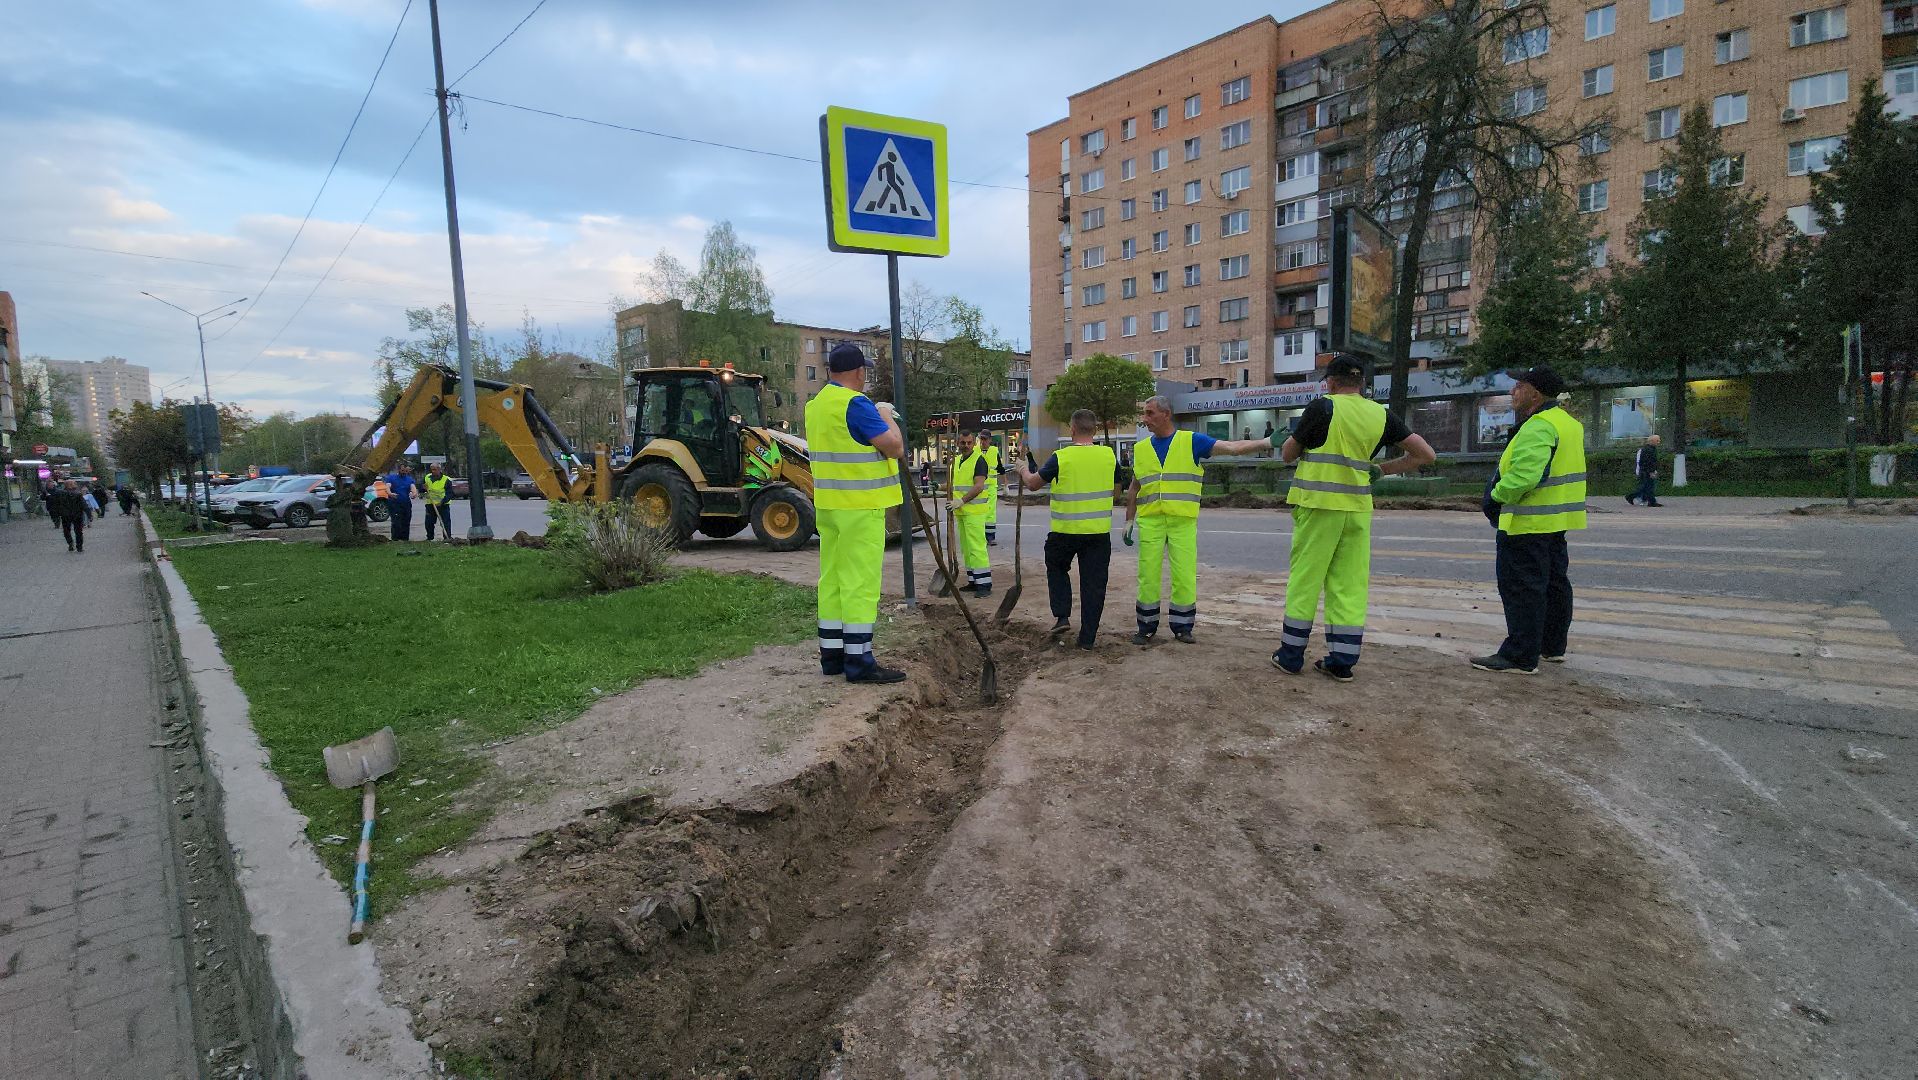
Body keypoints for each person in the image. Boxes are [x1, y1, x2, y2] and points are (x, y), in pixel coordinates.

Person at [1273, 354, 1435, 682]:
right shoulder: (1380, 413)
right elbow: (1425, 455)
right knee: (1349, 585)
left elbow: (1288, 454)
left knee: (1305, 581)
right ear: (1360, 384)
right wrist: (1380, 469)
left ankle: (1290, 655)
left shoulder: (1323, 407)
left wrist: (1295, 440)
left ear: (1331, 382)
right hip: (1357, 511)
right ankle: (1342, 660)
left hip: (1319, 507)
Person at [1124, 396, 1269, 645]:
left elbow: (1232, 448)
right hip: (1151, 522)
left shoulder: (1192, 441)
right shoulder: (1141, 449)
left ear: (1166, 414)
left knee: (1184, 573)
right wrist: (1128, 520)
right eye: (1144, 414)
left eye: (1149, 413)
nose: (1144, 419)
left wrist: (1266, 442)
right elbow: (1135, 487)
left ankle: (1182, 625)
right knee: (1147, 574)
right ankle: (1146, 625)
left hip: (1182, 520)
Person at [1471, 367, 1586, 674]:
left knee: (1523, 588)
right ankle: (1551, 646)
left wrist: (1494, 496)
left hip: (1527, 523)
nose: (1513, 392)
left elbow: (1524, 476)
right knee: (1554, 584)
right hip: (1555, 520)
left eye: (1519, 386)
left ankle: (1520, 655)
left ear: (1535, 393)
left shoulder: (1538, 426)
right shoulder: (1568, 424)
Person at [806, 343, 907, 684]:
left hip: (830, 507)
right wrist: (885, 415)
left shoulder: (815, 406)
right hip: (860, 507)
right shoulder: (857, 404)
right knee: (860, 583)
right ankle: (860, 662)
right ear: (861, 372)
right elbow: (895, 447)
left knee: (832, 579)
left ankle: (832, 656)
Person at [1017, 410, 1121, 651]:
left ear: (1072, 429)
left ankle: (1062, 616)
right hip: (1097, 533)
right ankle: (1087, 640)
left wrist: (1022, 468)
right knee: (1094, 585)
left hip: (1063, 532)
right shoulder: (1109, 456)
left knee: (1056, 568)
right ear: (1094, 430)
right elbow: (1117, 492)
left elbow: (1033, 484)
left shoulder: (1061, 457)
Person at [952, 433, 994, 597]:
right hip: (961, 512)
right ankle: (974, 580)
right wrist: (938, 486)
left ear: (973, 443)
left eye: (969, 442)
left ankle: (984, 584)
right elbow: (954, 484)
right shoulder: (956, 461)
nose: (966, 445)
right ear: (958, 443)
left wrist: (961, 501)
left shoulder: (979, 460)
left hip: (974, 512)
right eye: (963, 443)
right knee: (967, 548)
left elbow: (978, 487)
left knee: (977, 547)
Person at [384, 461, 420, 541]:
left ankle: (405, 539)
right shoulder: (391, 478)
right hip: (394, 504)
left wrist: (414, 494)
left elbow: (413, 488)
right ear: (399, 470)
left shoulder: (409, 479)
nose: (404, 473)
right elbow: (387, 487)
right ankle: (396, 539)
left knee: (406, 521)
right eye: (403, 471)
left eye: (406, 471)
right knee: (396, 522)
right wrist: (390, 493)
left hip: (406, 504)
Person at [978, 430, 1002, 547]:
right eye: (981, 439)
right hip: (978, 487)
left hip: (991, 487)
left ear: (990, 440)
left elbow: (1000, 469)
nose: (983, 441)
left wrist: (1006, 484)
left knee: (990, 513)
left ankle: (990, 537)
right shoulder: (975, 451)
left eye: (985, 439)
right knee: (979, 511)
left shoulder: (994, 451)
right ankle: (980, 536)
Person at [51, 480, 88, 553]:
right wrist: (89, 514)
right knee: (78, 532)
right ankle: (79, 547)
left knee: (66, 530)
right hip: (77, 515)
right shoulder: (78, 494)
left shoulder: (60, 494)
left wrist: (56, 514)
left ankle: (70, 543)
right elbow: (84, 505)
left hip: (65, 515)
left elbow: (56, 505)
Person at [421, 462, 454, 540]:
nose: (433, 471)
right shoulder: (427, 477)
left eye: (435, 469)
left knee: (445, 522)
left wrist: (442, 502)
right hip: (430, 504)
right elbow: (421, 489)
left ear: (439, 469)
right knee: (429, 522)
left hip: (443, 505)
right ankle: (430, 538)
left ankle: (447, 538)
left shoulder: (446, 480)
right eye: (432, 469)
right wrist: (423, 488)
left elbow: (450, 494)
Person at [1627, 434, 1663, 507]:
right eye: (1657, 440)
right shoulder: (1648, 450)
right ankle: (1630, 496)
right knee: (1645, 487)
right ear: (1651, 441)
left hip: (1647, 471)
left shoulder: (1651, 449)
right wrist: (1651, 471)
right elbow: (1646, 462)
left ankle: (1651, 502)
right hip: (1646, 472)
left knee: (1648, 487)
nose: (1659, 442)